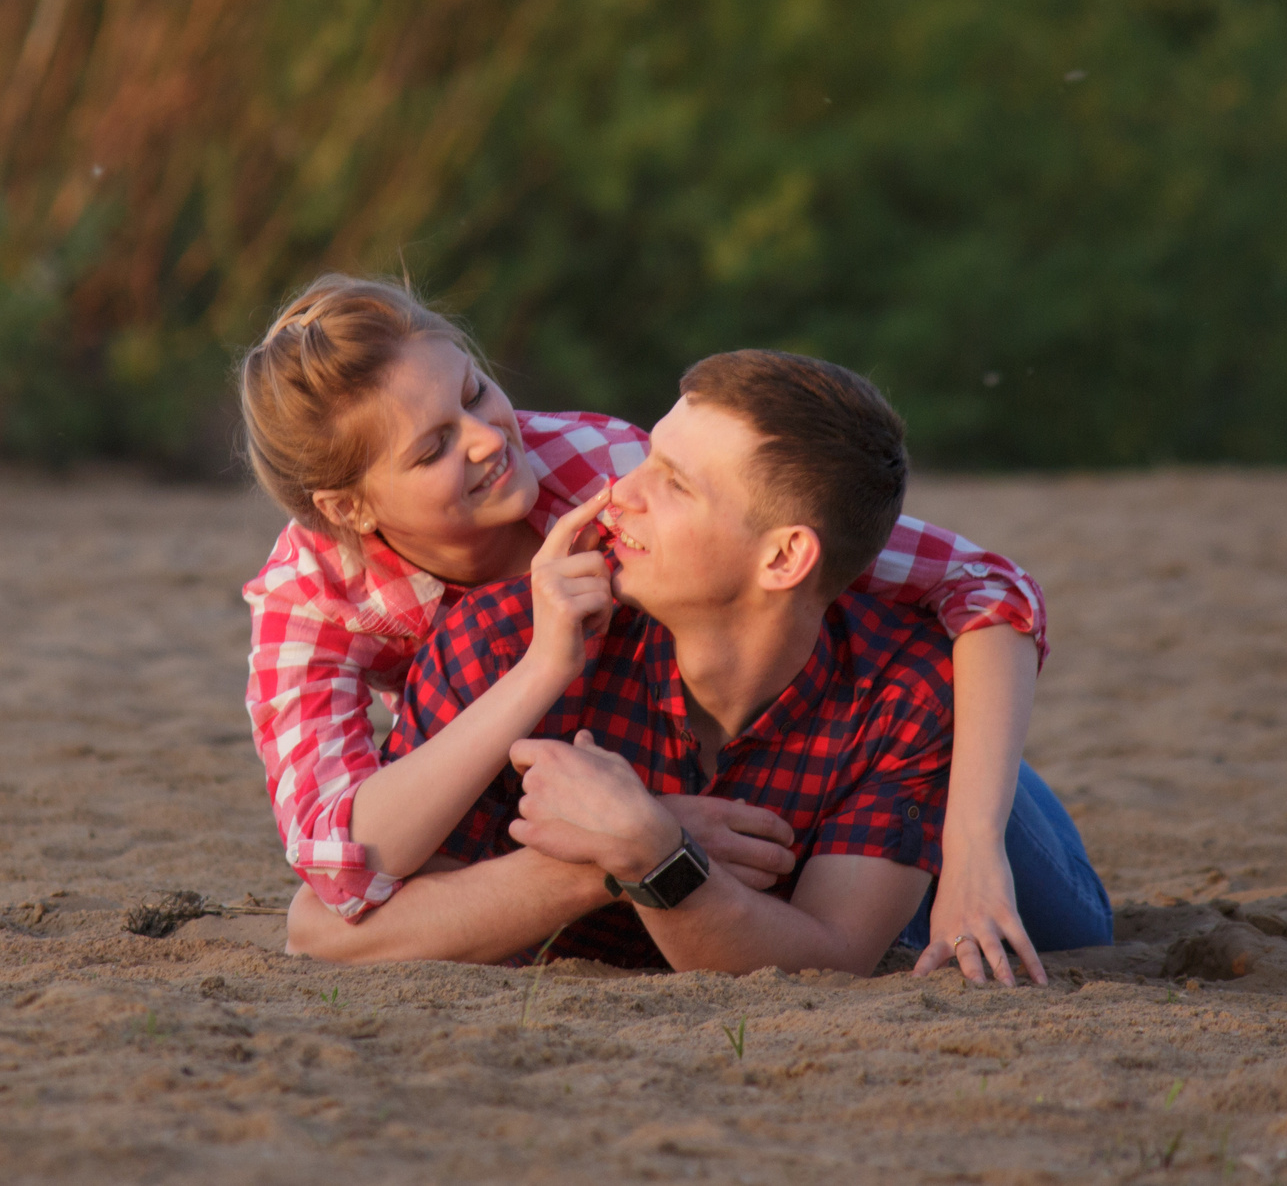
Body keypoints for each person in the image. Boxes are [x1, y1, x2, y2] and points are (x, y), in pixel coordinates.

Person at [239, 275, 1097, 984]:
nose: (488, 439)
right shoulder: (318, 601)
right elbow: (340, 869)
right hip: (579, 757)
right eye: (430, 449)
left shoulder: (602, 471)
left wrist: (974, 836)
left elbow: (973, 581)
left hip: (818, 751)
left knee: (1041, 901)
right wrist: (625, 828)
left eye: (476, 391)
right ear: (345, 507)